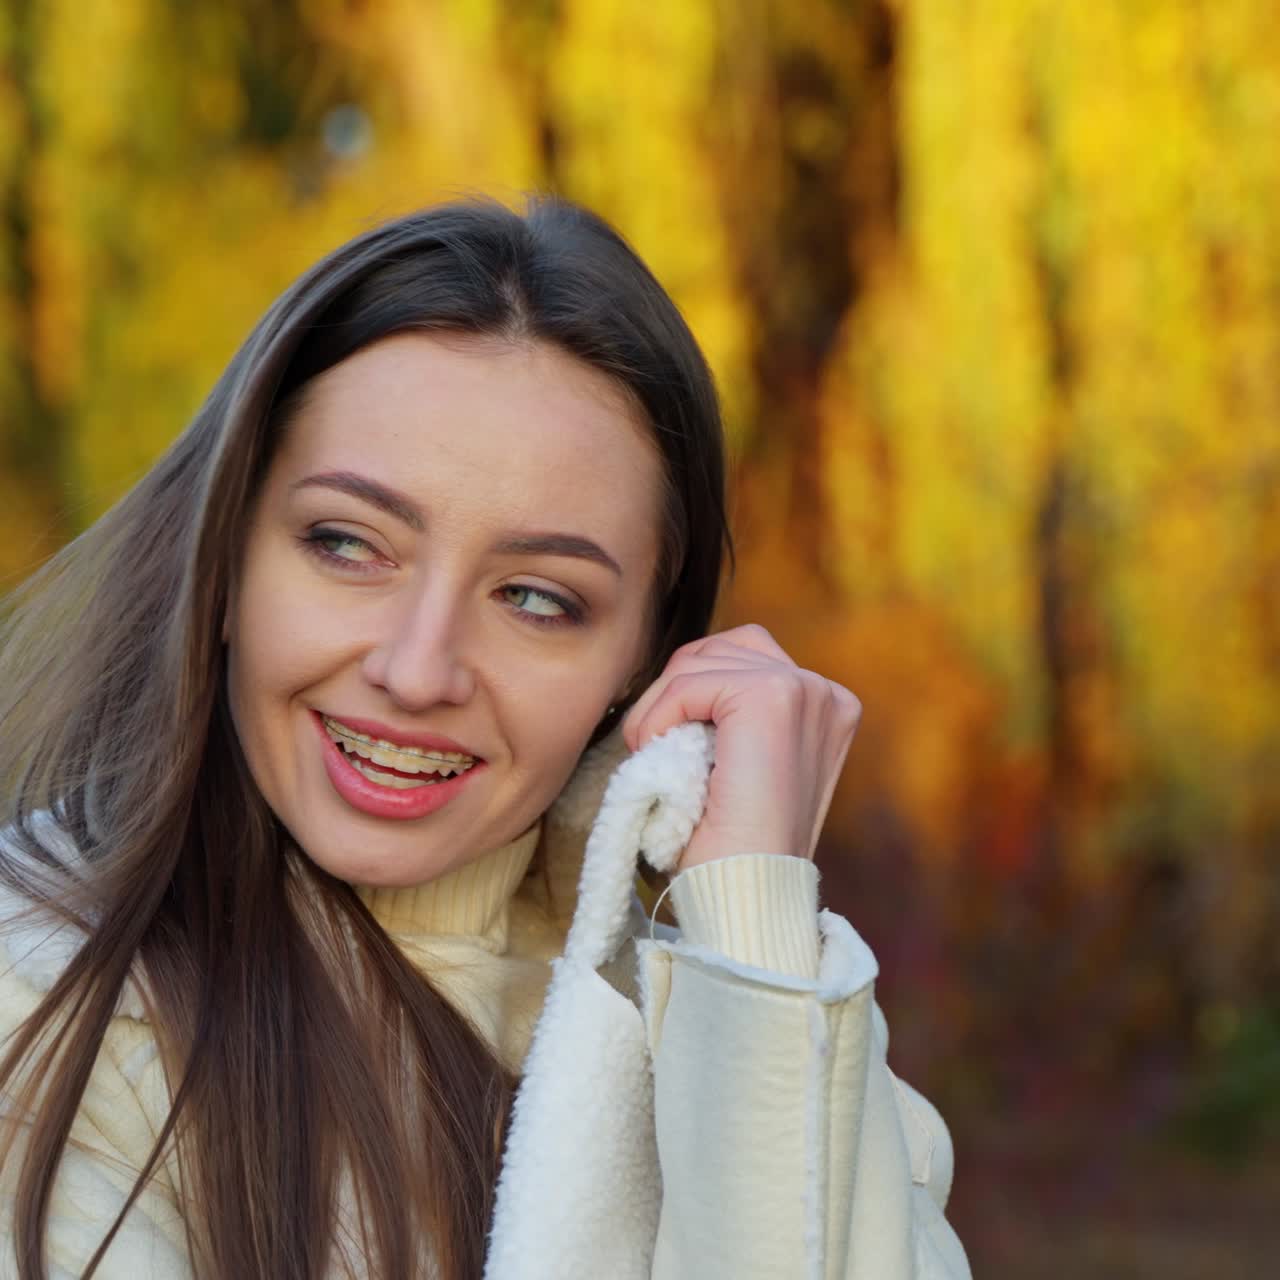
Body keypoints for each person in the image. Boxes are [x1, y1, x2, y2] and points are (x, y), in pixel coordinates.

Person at [0, 196, 970, 1279]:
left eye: (536, 598)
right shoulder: (43, 1027)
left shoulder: (755, 1015)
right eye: (346, 543)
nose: (416, 671)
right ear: (223, 557)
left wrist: (750, 927)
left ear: (636, 666)